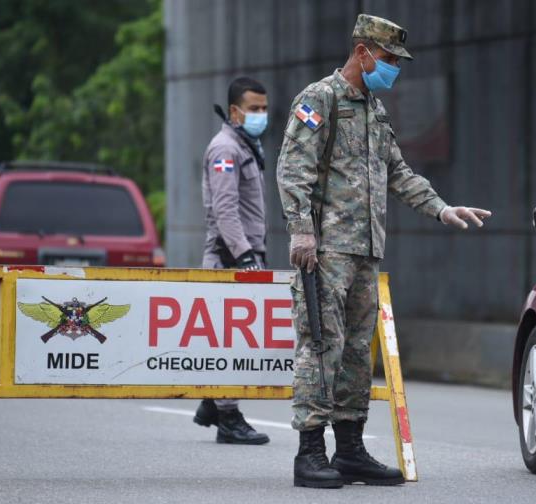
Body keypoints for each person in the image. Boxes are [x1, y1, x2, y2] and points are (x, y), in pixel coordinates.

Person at [277, 14, 491, 488]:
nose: (393, 68)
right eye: (389, 59)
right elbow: (293, 169)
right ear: (362, 52)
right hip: (326, 250)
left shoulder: (374, 110)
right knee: (320, 345)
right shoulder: (320, 99)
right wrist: (301, 231)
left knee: (356, 351)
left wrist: (441, 208)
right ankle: (310, 451)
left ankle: (349, 448)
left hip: (365, 251)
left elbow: (398, 173)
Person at [192, 76, 271, 445]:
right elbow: (225, 211)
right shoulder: (225, 149)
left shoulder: (245, 143)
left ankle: (212, 402)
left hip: (242, 254)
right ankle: (228, 419)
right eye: (254, 109)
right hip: (230, 258)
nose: (261, 115)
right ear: (236, 111)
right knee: (229, 341)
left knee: (234, 336)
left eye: (264, 108)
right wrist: (245, 256)